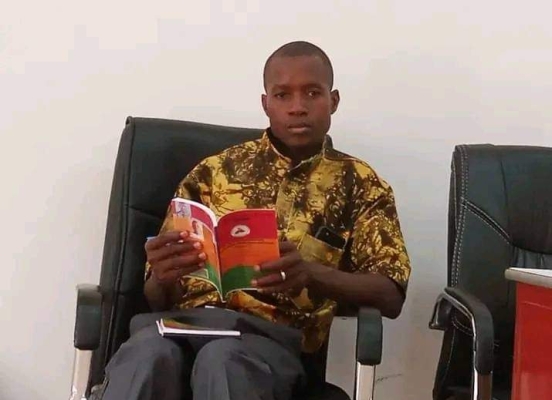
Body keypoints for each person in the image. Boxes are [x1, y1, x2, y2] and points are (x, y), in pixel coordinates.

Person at [97, 41, 411, 400]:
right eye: (282, 95)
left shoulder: (360, 184)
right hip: (180, 327)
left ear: (333, 100)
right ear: (266, 104)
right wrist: (161, 277)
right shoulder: (214, 172)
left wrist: (310, 273)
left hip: (269, 342)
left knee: (223, 361)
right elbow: (158, 297)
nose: (297, 107)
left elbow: (390, 295)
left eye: (312, 93)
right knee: (147, 355)